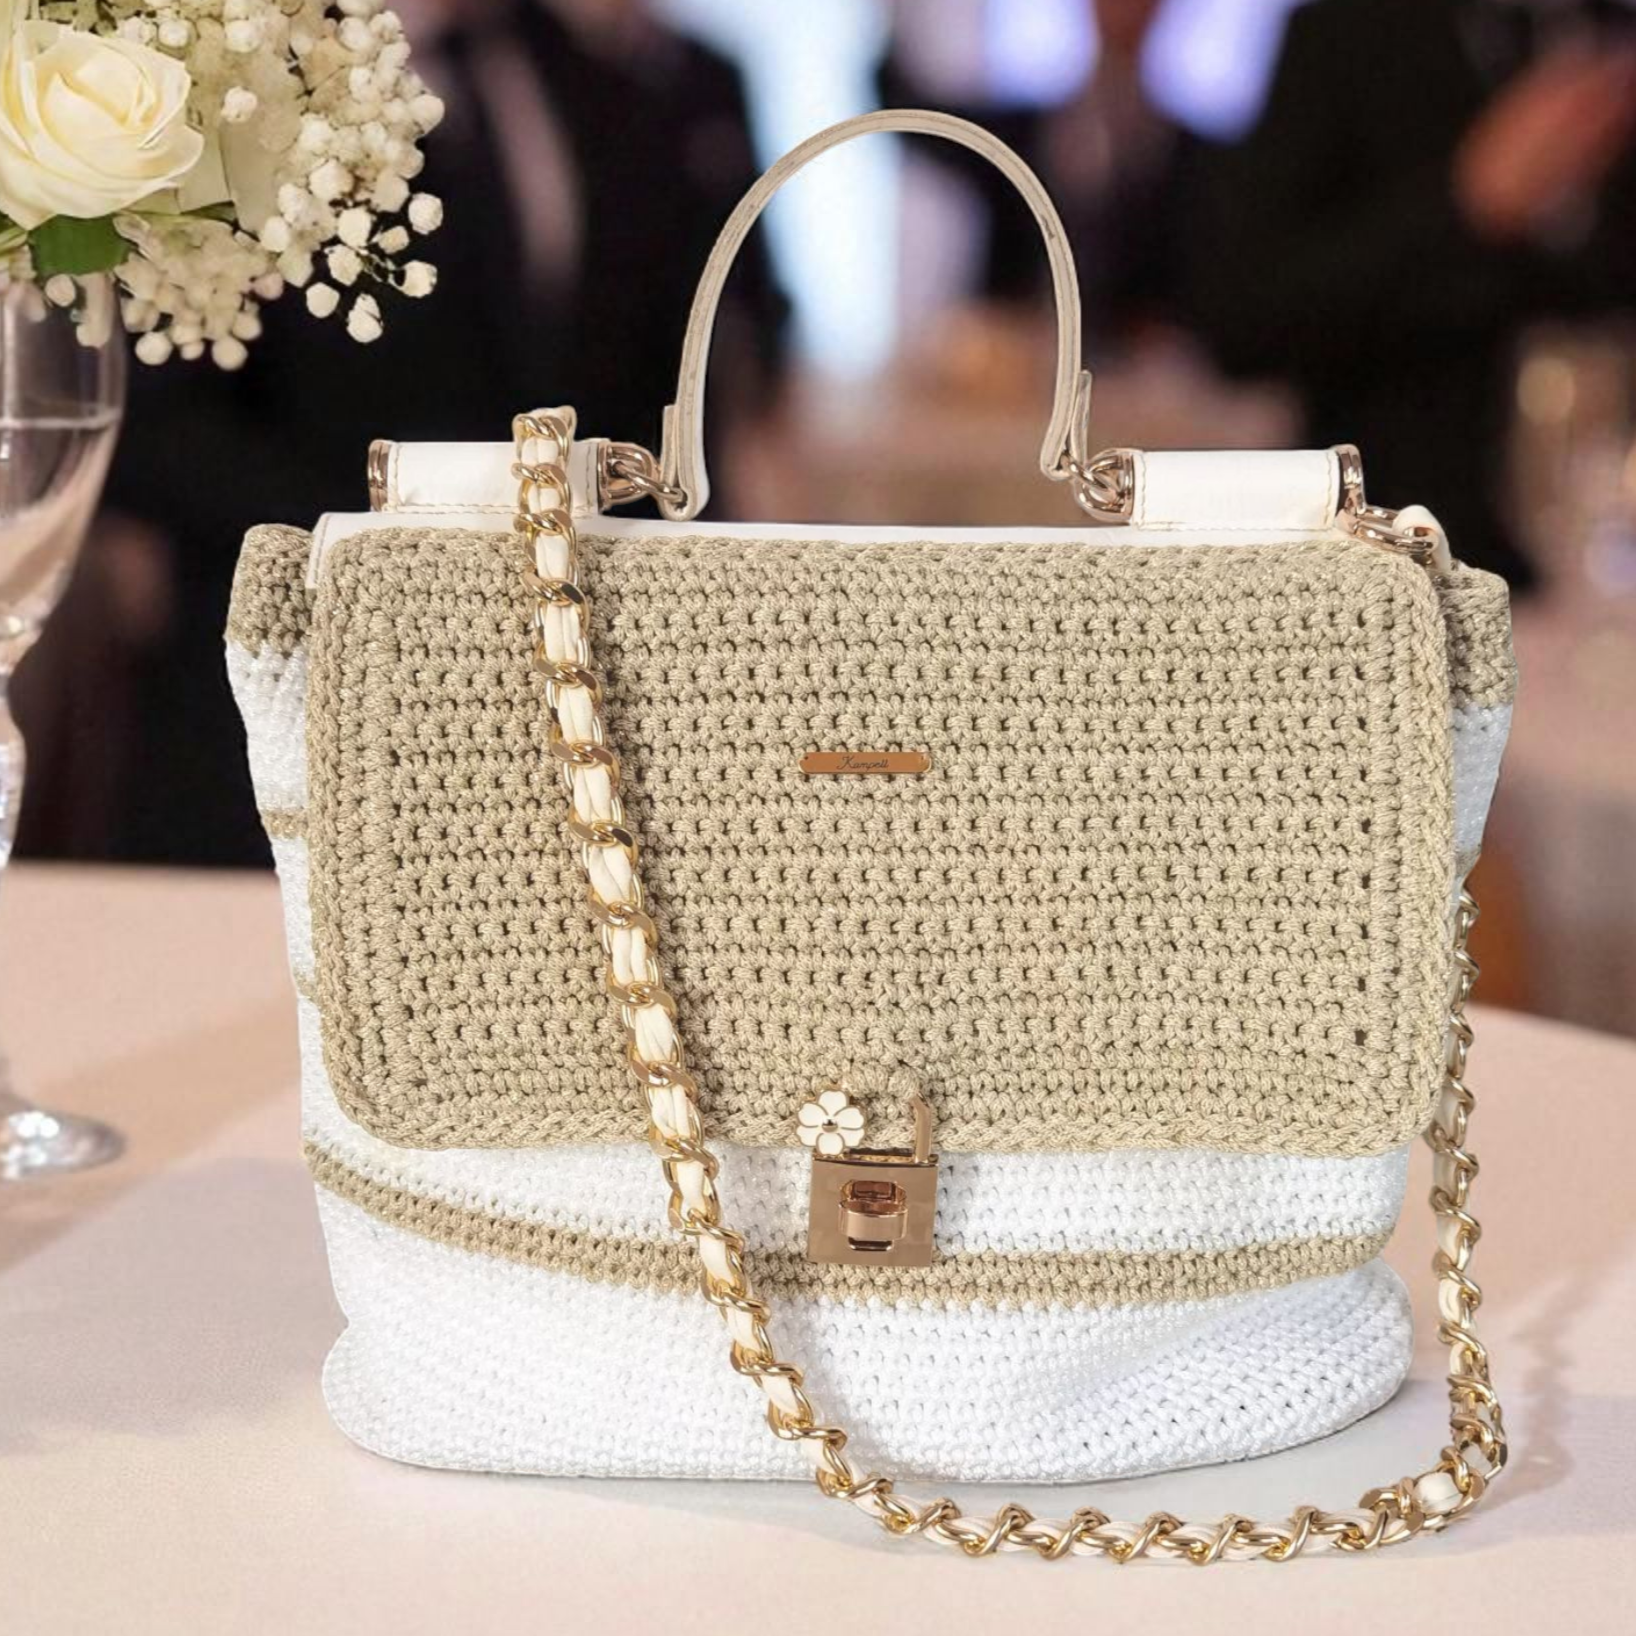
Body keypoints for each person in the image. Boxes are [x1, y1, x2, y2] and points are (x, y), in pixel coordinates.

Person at [18, 0, 784, 867]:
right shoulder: (236, 92)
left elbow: (660, 385)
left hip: (564, 711)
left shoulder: (607, 86)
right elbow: (154, 427)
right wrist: (408, 542)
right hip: (292, 695)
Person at [1179, 0, 1636, 587]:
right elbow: (1243, 312)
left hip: (1605, 550)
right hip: (1397, 562)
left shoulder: (1611, 36)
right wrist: (1467, 203)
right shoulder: (1349, 32)